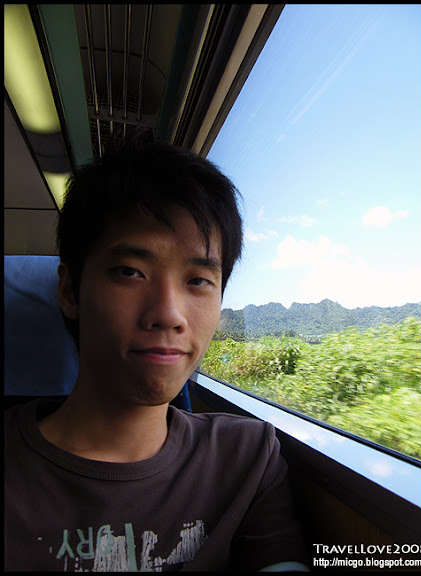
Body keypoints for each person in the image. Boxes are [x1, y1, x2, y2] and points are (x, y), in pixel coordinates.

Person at [4, 130, 309, 572]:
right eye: (130, 272)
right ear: (70, 291)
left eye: (198, 281)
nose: (169, 314)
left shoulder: (245, 458)